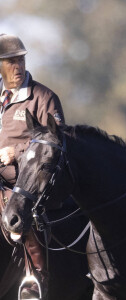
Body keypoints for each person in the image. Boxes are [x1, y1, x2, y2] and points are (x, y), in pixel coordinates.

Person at [0, 33, 65, 299]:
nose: (18, 67)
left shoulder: (43, 97)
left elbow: (57, 145)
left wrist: (18, 152)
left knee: (20, 214)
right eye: (11, 61)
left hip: (24, 182)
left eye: (21, 60)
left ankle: (34, 280)